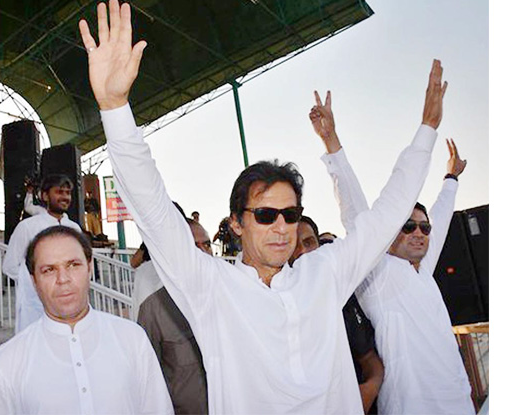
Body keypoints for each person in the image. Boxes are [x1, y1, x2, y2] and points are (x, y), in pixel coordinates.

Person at [79, 2, 446, 412]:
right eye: (266, 215)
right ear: (237, 223)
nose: (281, 226)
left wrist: (427, 131)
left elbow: (387, 213)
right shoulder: (210, 286)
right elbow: (152, 209)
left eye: (289, 215)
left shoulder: (325, 273)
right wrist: (115, 109)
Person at [312, 89, 474, 414]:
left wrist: (451, 177)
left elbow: (440, 215)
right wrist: (331, 143)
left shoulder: (424, 271)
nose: (419, 233)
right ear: (389, 232)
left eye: (423, 228)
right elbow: (355, 209)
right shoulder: (379, 273)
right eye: (408, 226)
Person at [0, 226, 173, 414]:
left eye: (73, 265)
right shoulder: (6, 364)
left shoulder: (132, 339)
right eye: (49, 270)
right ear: (34, 280)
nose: (63, 278)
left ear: (89, 268)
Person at [289, 216, 384, 414]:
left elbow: (368, 357)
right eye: (293, 245)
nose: (302, 252)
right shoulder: (273, 304)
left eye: (308, 242)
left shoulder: (342, 296)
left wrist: (369, 388)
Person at [135, 219, 211, 414]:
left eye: (207, 244)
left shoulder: (228, 296)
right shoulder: (153, 308)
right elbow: (148, 380)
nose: (203, 252)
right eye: (194, 246)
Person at [3, 174, 82, 332]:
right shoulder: (27, 227)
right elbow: (10, 266)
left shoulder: (74, 229)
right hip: (35, 308)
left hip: (69, 303)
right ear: (45, 195)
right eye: (59, 192)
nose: (65, 197)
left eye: (67, 193)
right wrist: (38, 281)